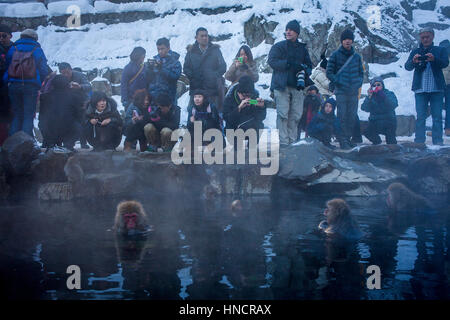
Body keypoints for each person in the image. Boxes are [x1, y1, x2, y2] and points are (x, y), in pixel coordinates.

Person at [268, 20, 313, 146]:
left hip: (298, 87)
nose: (288, 32)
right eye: (287, 29)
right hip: (281, 86)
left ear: (297, 33)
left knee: (296, 116)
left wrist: (303, 69)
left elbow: (309, 66)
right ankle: (283, 144)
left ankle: (292, 143)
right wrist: (287, 64)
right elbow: (271, 61)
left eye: (291, 30)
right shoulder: (279, 46)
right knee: (283, 115)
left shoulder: (302, 49)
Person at [405, 27, 449, 145]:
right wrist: (414, 61)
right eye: (423, 37)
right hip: (420, 89)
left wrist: (434, 59)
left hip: (437, 88)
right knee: (420, 117)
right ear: (420, 38)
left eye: (427, 37)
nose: (425, 39)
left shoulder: (440, 50)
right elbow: (407, 67)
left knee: (437, 117)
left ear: (432, 37)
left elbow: (445, 63)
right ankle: (419, 142)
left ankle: (438, 142)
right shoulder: (415, 51)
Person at [3, 29, 50, 137]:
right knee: (28, 115)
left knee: (17, 114)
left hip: (14, 86)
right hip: (30, 86)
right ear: (34, 38)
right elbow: (43, 70)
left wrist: (8, 82)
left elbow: (8, 66)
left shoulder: (13, 48)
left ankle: (13, 143)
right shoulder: (37, 49)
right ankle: (25, 142)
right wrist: (39, 83)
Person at [326, 29, 364, 149]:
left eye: (349, 39)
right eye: (345, 39)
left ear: (352, 41)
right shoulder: (335, 55)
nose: (347, 41)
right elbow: (329, 72)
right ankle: (342, 140)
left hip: (353, 92)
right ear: (342, 41)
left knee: (351, 116)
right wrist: (339, 82)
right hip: (341, 91)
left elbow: (361, 73)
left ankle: (348, 139)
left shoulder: (357, 57)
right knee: (342, 116)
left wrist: (357, 84)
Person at [183, 27, 227, 110]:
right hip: (196, 88)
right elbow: (186, 68)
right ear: (196, 38)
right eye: (202, 36)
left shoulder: (215, 50)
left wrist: (214, 76)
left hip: (212, 88)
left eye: (206, 36)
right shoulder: (191, 51)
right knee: (196, 115)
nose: (204, 38)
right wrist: (193, 77)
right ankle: (197, 123)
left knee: (212, 114)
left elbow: (223, 66)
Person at [38, 75, 84, 151]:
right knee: (78, 124)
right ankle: (68, 145)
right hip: (69, 129)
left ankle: (50, 144)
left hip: (50, 129)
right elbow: (79, 115)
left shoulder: (45, 97)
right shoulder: (75, 97)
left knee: (43, 122)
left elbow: (41, 116)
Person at [58, 62, 92, 149]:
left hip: (81, 102)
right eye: (63, 73)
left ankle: (83, 143)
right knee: (69, 124)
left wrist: (80, 86)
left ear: (71, 69)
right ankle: (68, 143)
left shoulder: (79, 75)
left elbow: (89, 86)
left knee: (81, 122)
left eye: (67, 72)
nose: (66, 75)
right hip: (67, 104)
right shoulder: (60, 78)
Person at [361, 77, 398, 145]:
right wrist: (369, 97)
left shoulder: (389, 93)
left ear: (382, 85)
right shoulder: (371, 95)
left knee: (391, 142)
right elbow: (364, 108)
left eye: (378, 85)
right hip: (375, 122)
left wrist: (383, 97)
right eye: (374, 85)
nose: (376, 87)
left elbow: (394, 104)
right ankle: (377, 141)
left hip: (388, 122)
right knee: (367, 131)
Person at [147, 37, 182, 107]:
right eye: (158, 49)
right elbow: (149, 79)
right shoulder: (155, 60)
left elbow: (175, 77)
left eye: (162, 49)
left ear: (168, 48)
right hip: (155, 96)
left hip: (169, 96)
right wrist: (149, 69)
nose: (160, 51)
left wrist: (162, 69)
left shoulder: (175, 62)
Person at [0, 24, 13, 146]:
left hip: (11, 85)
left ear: (10, 36)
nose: (1, 38)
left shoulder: (15, 48)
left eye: (4, 35)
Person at [439, 40, 450, 137]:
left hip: (441, 85)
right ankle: (447, 129)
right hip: (446, 84)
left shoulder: (439, 57)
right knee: (448, 107)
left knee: (437, 107)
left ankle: (440, 130)